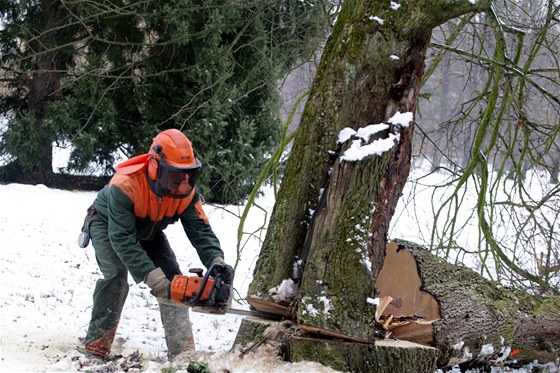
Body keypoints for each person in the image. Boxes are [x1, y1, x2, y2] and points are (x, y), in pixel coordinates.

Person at [80, 128, 234, 360]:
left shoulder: (186, 192)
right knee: (115, 277)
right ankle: (96, 346)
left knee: (175, 281)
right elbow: (122, 238)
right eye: (175, 175)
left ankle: (183, 350)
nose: (182, 182)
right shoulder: (125, 185)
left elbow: (200, 229)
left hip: (150, 230)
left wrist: (217, 261)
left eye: (188, 175)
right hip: (107, 224)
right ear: (156, 166)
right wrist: (153, 279)